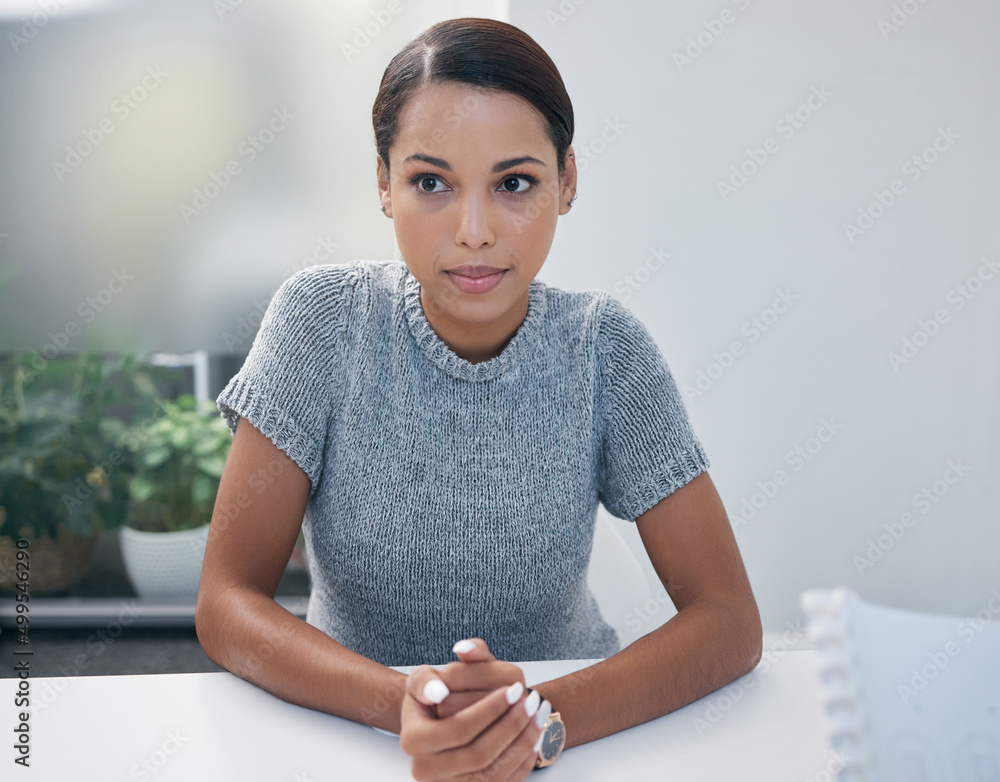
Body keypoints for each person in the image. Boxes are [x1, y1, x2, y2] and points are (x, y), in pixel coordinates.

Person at [195, 16, 762, 782]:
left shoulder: (604, 349)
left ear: (566, 181)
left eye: (514, 183)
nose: (473, 232)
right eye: (431, 182)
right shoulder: (320, 323)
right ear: (383, 183)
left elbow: (728, 623)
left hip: (567, 746)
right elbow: (227, 603)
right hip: (347, 737)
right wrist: (402, 703)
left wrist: (534, 723)